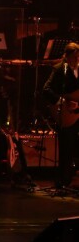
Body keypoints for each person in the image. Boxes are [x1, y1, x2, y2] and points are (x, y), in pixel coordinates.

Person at [42, 41, 79, 188]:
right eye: (75, 57)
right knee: (67, 146)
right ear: (67, 56)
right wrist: (63, 101)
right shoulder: (59, 70)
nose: (77, 60)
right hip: (67, 114)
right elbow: (46, 90)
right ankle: (64, 180)